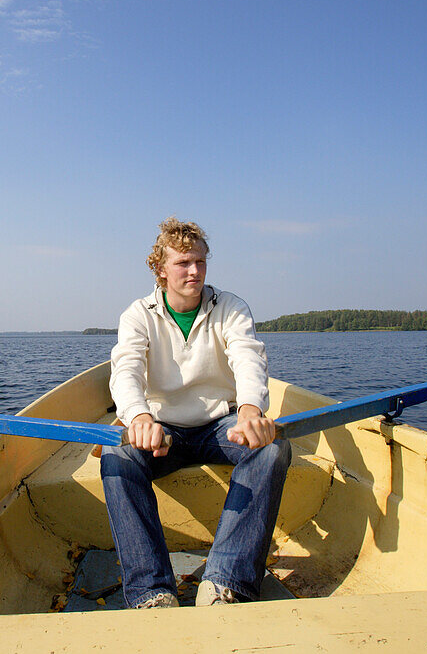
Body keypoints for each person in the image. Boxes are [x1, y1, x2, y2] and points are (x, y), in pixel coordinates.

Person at [101, 217, 292, 609]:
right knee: (116, 455)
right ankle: (151, 591)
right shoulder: (138, 314)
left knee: (272, 449)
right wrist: (138, 418)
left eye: (200, 262)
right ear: (160, 268)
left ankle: (226, 581)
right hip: (162, 430)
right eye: (183, 263)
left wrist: (251, 411)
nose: (194, 271)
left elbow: (248, 358)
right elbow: (126, 370)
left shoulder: (231, 307)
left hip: (220, 426)